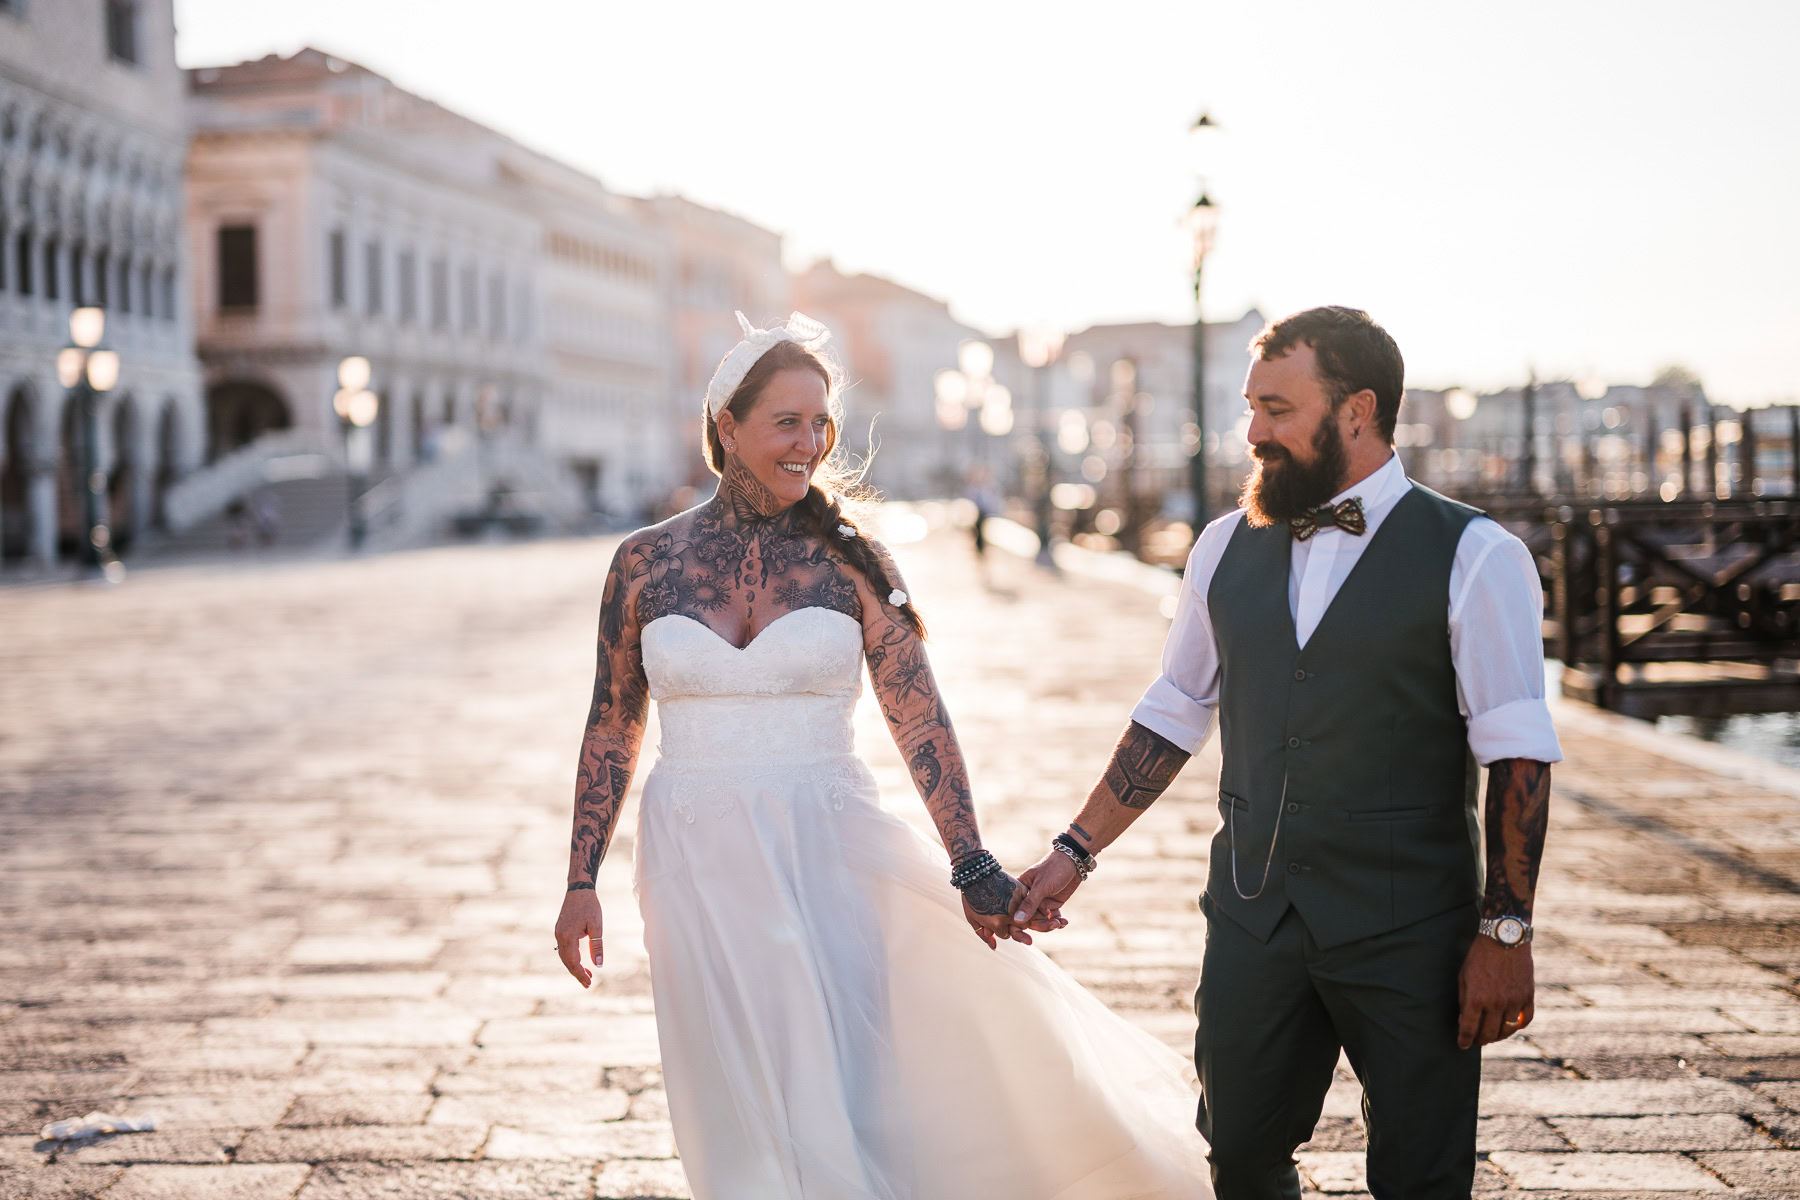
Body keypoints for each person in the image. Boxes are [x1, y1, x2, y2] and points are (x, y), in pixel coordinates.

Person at [553, 312, 1210, 1200]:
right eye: (787, 421)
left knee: (848, 1085)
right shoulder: (643, 563)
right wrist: (580, 878)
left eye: (820, 422)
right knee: (730, 1094)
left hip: (833, 850)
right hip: (693, 859)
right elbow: (611, 722)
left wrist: (971, 860)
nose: (811, 442)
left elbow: (919, 718)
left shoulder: (853, 561)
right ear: (727, 427)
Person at [1013, 307, 1563, 1200]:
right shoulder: (1224, 546)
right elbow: (1172, 714)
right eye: (1250, 408)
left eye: (1277, 408)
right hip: (1253, 918)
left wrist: (1505, 932)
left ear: (1357, 410)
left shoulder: (1476, 554)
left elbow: (1519, 755)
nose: (1254, 432)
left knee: (1423, 1178)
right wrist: (1074, 851)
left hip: (1409, 932)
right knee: (1238, 1154)